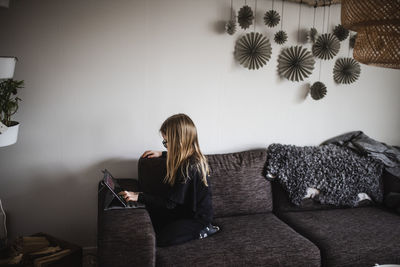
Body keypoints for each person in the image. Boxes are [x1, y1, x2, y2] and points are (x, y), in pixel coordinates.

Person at [119, 113, 220, 247]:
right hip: (183, 211)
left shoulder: (189, 167)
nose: (165, 146)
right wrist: (162, 153)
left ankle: (205, 230)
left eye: (166, 143)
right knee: (154, 222)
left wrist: (139, 196)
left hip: (197, 219)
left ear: (179, 142)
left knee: (162, 240)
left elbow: (169, 204)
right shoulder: (187, 157)